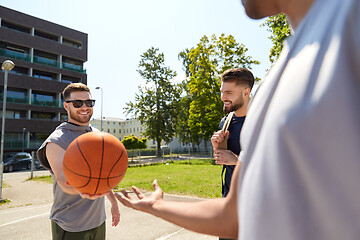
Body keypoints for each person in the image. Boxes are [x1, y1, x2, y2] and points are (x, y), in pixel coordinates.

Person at [116, 0, 360, 239]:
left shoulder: (349, 19)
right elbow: (234, 215)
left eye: (228, 92)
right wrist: (155, 206)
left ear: (245, 92)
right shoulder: (277, 79)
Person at [37, 83, 120, 240]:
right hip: (69, 224)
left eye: (89, 103)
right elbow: (63, 180)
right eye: (77, 103)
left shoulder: (97, 135)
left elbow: (102, 174)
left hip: (97, 221)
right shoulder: (56, 141)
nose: (84, 107)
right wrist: (91, 189)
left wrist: (114, 204)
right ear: (66, 106)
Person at [211, 68, 254, 200]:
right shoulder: (225, 122)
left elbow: (272, 167)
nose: (223, 98)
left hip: (254, 201)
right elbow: (225, 161)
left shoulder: (262, 122)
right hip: (229, 199)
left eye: (229, 92)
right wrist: (217, 148)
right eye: (222, 92)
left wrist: (236, 160)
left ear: (246, 92)